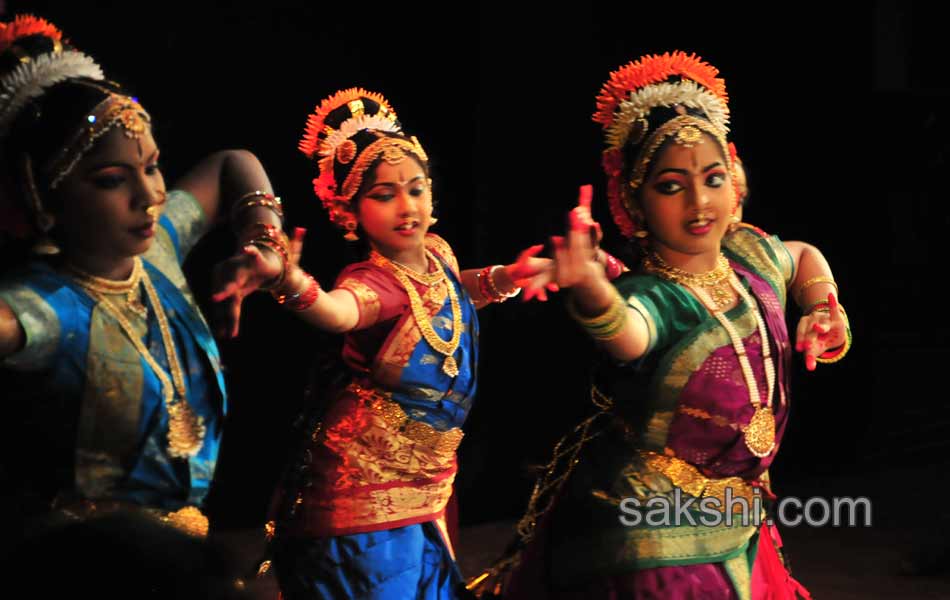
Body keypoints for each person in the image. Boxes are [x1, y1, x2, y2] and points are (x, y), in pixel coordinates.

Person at [474, 51, 850, 600]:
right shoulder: (654, 294)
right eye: (672, 186)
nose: (699, 202)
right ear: (634, 200)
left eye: (713, 178)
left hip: (738, 510)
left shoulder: (750, 255)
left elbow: (804, 255)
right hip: (650, 519)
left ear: (735, 182)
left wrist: (824, 307)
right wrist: (592, 288)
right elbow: (628, 333)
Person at [211, 88, 551, 599]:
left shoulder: (436, 253)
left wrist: (505, 277)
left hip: (422, 486)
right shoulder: (374, 282)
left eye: (416, 189)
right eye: (384, 194)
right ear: (350, 211)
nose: (406, 206)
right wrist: (287, 281)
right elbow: (338, 310)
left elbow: (452, 293)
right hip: (359, 498)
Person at [0, 15, 286, 546]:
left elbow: (232, 164)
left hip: (189, 549)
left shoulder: (158, 248)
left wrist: (264, 244)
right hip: (93, 565)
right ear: (43, 196)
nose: (150, 195)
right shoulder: (38, 307)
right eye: (112, 180)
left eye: (151, 167)